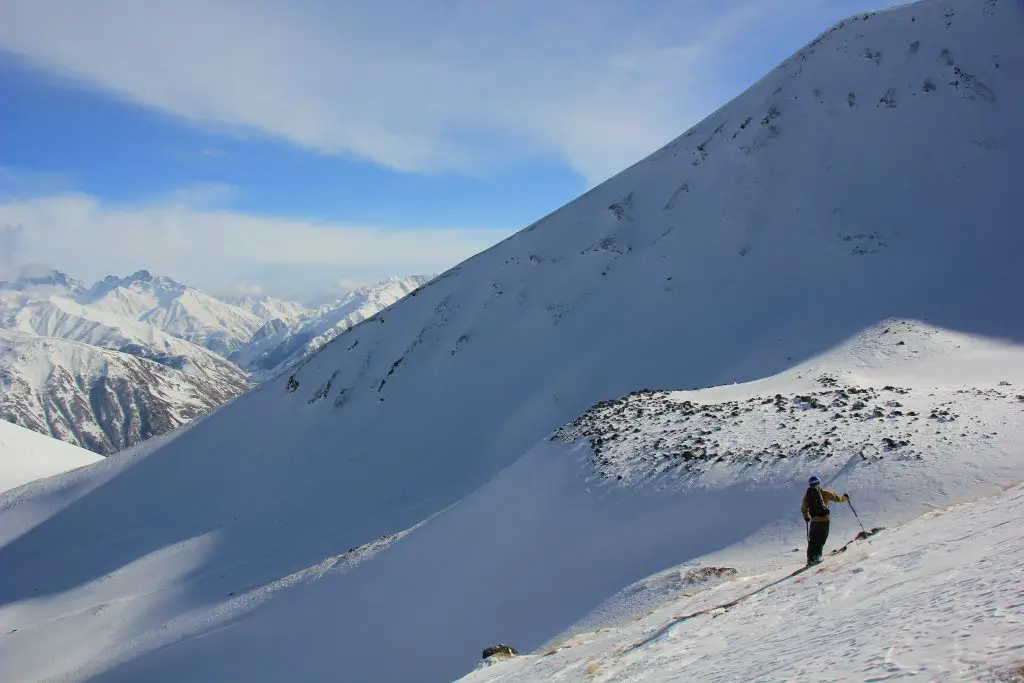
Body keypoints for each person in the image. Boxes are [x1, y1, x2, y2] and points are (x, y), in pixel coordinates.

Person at [801, 475, 848, 565]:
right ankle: (817, 557)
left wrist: (806, 517)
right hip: (824, 520)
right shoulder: (824, 493)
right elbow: (838, 499)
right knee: (821, 538)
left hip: (814, 521)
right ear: (818, 483)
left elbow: (803, 508)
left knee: (813, 539)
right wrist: (845, 497)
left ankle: (810, 559)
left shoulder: (807, 496)